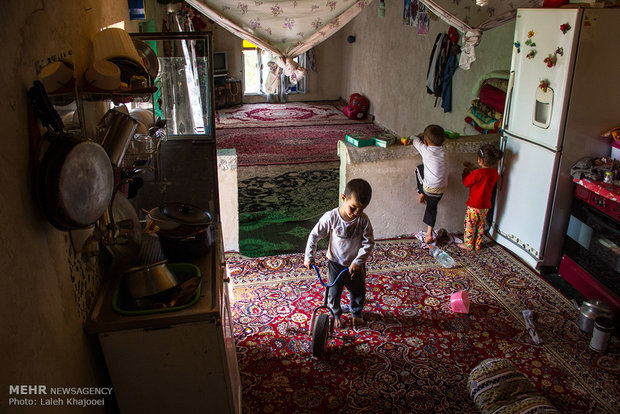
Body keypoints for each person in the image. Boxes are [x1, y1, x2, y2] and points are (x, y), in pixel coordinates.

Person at [304, 178, 375, 329]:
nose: (356, 213)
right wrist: (309, 257)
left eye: (361, 209)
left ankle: (356, 313)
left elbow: (368, 243)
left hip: (355, 265)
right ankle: (336, 314)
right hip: (335, 263)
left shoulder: (363, 220)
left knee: (358, 291)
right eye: (353, 208)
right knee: (333, 292)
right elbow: (314, 235)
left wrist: (358, 261)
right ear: (343, 198)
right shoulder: (332, 217)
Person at [457, 144, 503, 251]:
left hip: (474, 205)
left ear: (481, 160)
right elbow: (485, 177)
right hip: (485, 206)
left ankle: (468, 245)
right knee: (480, 225)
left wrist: (465, 174)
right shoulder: (494, 173)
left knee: (470, 224)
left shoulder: (477, 173)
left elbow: (466, 182)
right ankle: (477, 244)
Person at [412, 124, 448, 244]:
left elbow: (415, 141)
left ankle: (421, 193)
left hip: (430, 188)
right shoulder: (444, 150)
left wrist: (417, 137)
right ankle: (429, 232)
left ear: (425, 142)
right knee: (432, 207)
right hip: (442, 188)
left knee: (419, 169)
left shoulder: (426, 150)